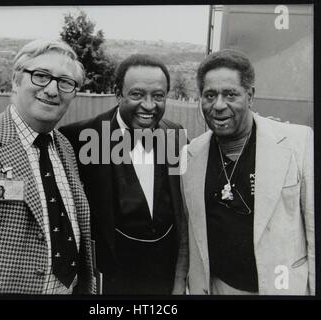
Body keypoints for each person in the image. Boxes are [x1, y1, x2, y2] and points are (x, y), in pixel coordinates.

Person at [0, 39, 95, 294]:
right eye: (41, 76)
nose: (52, 90)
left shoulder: (66, 148)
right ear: (16, 80)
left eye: (65, 82)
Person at [180, 49, 314, 295]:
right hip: (216, 288)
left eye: (230, 94)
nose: (219, 105)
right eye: (210, 95)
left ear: (250, 96)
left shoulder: (299, 142)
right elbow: (188, 240)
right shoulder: (190, 155)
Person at [59, 54, 188, 294]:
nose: (149, 105)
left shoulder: (175, 135)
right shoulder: (77, 138)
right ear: (118, 94)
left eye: (158, 96)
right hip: (108, 283)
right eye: (137, 94)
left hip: (163, 281)